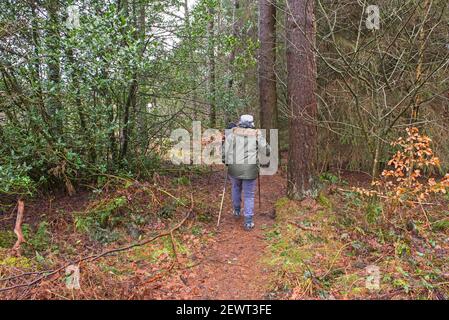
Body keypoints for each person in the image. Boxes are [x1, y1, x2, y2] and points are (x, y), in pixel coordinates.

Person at [222, 115, 270, 231]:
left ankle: (237, 210)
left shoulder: (233, 133)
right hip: (250, 169)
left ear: (240, 122)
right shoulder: (257, 134)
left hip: (234, 167)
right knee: (249, 194)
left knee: (235, 187)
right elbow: (267, 150)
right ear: (252, 123)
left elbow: (224, 151)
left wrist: (226, 161)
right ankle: (248, 222)